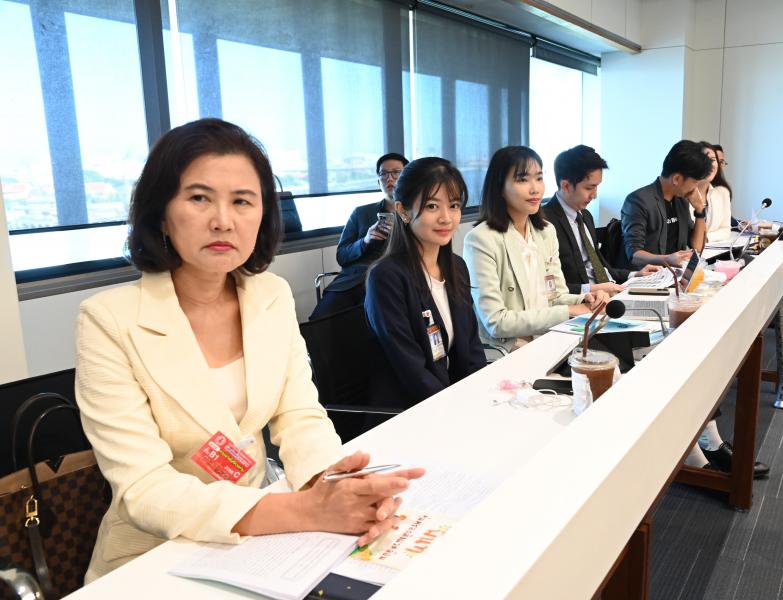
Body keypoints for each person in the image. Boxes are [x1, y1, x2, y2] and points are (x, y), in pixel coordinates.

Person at [75, 119, 424, 582]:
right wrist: (306, 509)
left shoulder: (270, 295)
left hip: (261, 547)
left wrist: (333, 485)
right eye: (199, 198)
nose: (223, 220)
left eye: (242, 200)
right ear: (160, 213)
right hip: (153, 560)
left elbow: (299, 416)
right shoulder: (108, 320)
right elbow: (144, 488)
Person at [365, 158, 487, 408]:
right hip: (408, 411)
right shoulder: (386, 277)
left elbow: (472, 348)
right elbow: (412, 370)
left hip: (453, 401)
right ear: (403, 211)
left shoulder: (456, 267)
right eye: (432, 206)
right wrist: (456, 408)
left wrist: (481, 396)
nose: (446, 218)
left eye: (454, 205)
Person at [463, 146, 608, 353]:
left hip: (551, 339)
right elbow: (496, 322)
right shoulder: (481, 239)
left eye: (539, 178)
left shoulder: (546, 231)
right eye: (522, 179)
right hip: (509, 350)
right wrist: (569, 310)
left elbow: (556, 297)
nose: (535, 189)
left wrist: (585, 299)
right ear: (500, 187)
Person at [543, 145, 662, 296]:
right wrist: (592, 290)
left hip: (612, 292)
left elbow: (600, 268)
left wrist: (634, 275)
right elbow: (548, 288)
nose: (594, 195)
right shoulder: (544, 222)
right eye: (589, 188)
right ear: (566, 186)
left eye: (597, 187)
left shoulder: (585, 216)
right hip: (585, 300)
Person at [309, 153, 408, 320]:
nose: (389, 178)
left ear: (407, 179)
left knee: (368, 323)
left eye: (396, 172)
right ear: (378, 181)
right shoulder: (361, 213)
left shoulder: (416, 216)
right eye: (383, 173)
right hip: (352, 282)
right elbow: (342, 256)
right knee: (319, 323)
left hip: (392, 282)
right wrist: (365, 241)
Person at [618, 140, 711, 269]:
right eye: (695, 182)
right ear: (676, 179)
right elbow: (634, 254)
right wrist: (667, 259)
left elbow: (697, 248)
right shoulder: (638, 201)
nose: (696, 188)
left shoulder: (681, 200)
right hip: (647, 275)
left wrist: (699, 210)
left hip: (674, 273)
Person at [695, 142, 732, 243]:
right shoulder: (683, 194)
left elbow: (726, 230)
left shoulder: (723, 192)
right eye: (705, 160)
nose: (711, 165)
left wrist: (705, 238)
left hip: (715, 249)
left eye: (713, 160)